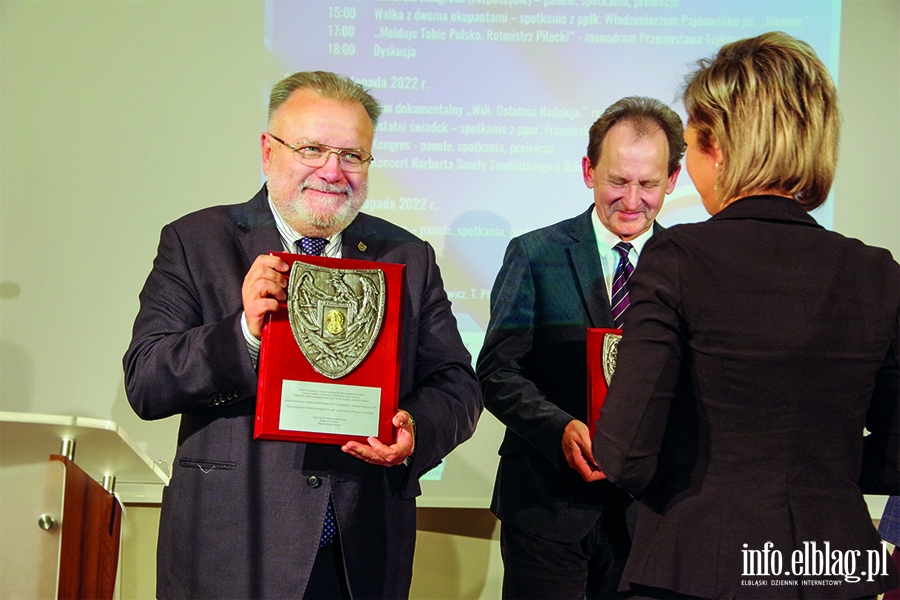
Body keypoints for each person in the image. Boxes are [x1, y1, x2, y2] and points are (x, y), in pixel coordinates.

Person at [123, 71, 483, 599]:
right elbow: (147, 381)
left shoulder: (407, 257)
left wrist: (414, 431)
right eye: (311, 149)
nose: (333, 172)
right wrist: (243, 332)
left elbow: (457, 384)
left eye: (352, 156)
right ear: (268, 152)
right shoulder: (198, 241)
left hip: (360, 555)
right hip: (231, 548)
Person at [593, 32, 900, 599]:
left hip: (698, 565)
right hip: (835, 568)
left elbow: (625, 451)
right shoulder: (877, 272)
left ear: (721, 146)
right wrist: (819, 474)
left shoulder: (678, 257)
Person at [477, 96, 684, 599]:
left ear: (673, 180)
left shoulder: (687, 266)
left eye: (648, 184)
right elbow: (497, 372)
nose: (632, 200)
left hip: (649, 516)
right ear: (589, 170)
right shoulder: (535, 253)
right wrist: (559, 428)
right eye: (618, 181)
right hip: (546, 507)